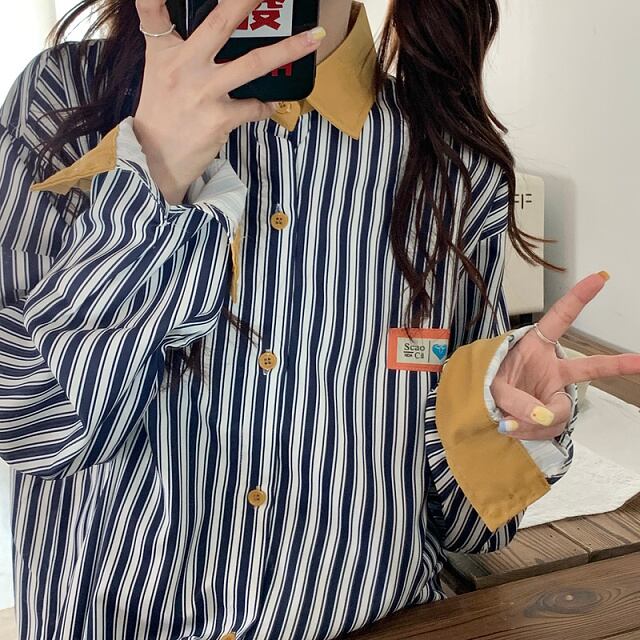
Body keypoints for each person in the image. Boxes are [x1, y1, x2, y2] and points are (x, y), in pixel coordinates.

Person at [1, 0, 638, 638]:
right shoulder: (62, 100)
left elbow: (470, 529)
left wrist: (501, 421)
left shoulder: (452, 161)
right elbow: (34, 429)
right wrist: (155, 171)